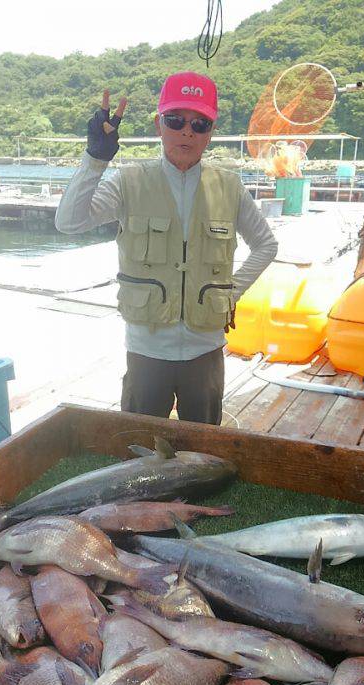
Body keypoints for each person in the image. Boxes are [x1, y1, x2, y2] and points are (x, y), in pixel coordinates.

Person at [55, 71, 278, 425]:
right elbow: (69, 222)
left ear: (210, 133)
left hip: (206, 350)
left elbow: (266, 244)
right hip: (146, 350)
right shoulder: (128, 181)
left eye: (200, 123)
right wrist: (95, 159)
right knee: (138, 442)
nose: (187, 131)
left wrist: (231, 292)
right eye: (175, 120)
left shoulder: (230, 187)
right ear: (159, 125)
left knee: (201, 446)